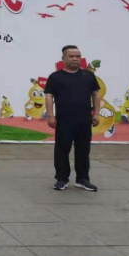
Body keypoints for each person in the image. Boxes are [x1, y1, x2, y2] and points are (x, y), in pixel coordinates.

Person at [45, 45, 100, 191]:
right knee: (62, 150)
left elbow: (96, 94)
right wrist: (50, 116)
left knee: (83, 150)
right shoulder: (55, 77)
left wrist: (96, 113)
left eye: (77, 56)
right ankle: (61, 179)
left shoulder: (88, 75)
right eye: (71, 56)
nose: (75, 59)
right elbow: (49, 96)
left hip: (84, 120)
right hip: (64, 120)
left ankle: (82, 179)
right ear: (63, 58)